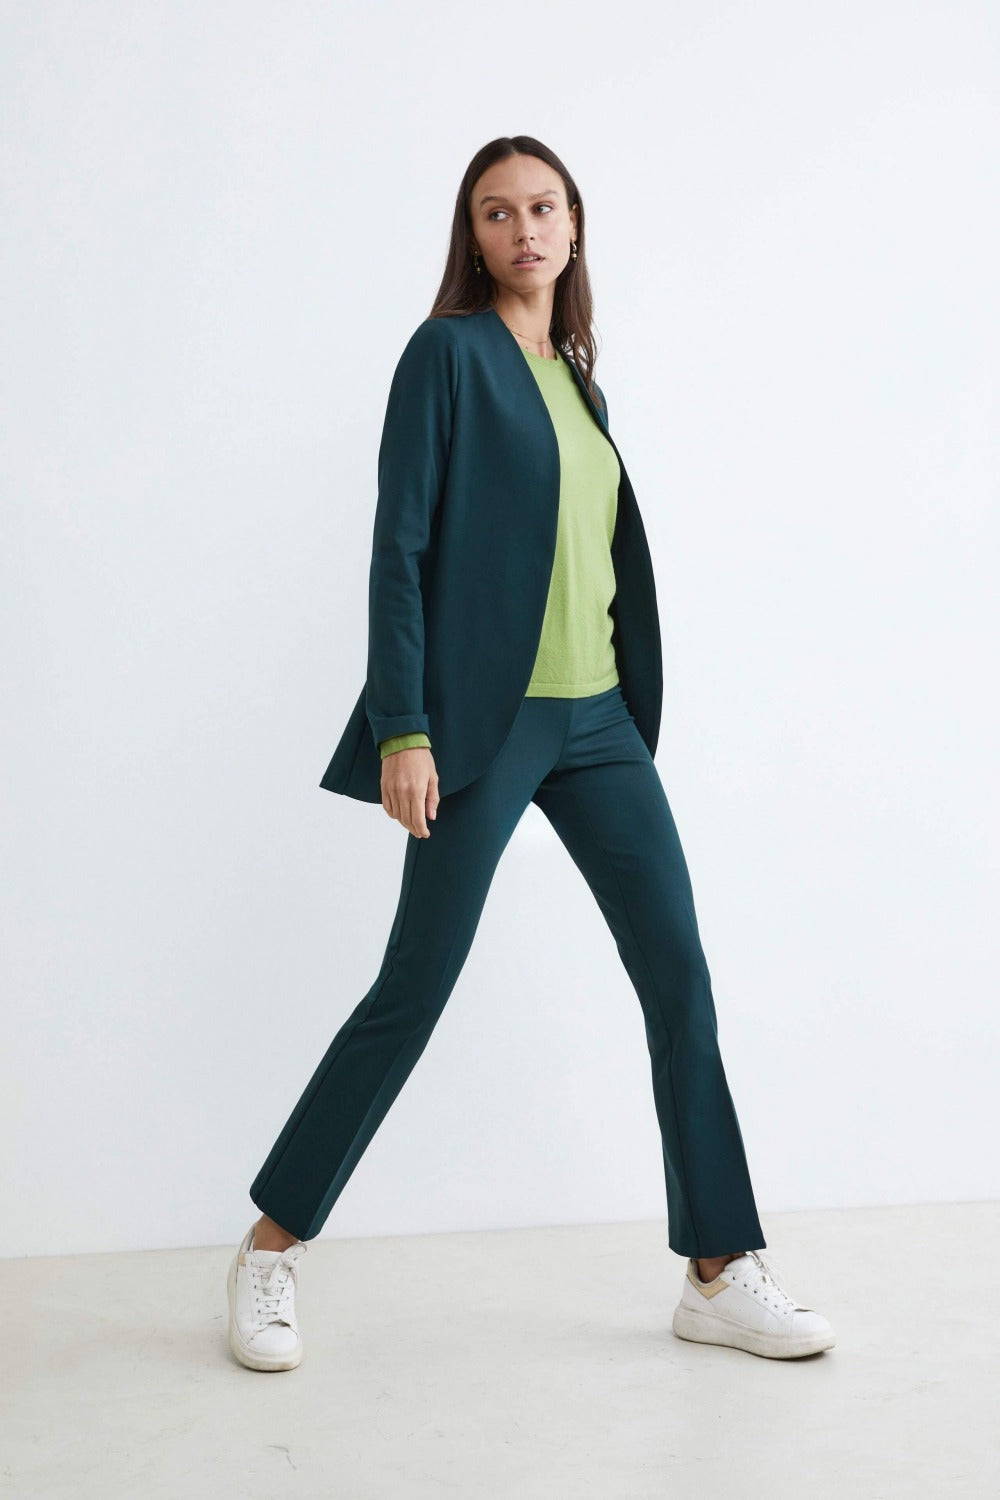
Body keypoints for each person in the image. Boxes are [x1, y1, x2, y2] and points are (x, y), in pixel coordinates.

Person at [226, 135, 835, 1372]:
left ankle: (718, 1270)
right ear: (473, 235)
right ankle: (268, 1251)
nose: (524, 229)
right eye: (496, 212)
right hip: (483, 728)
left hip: (597, 723)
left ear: (573, 224)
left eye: (543, 207)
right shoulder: (446, 354)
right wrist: (405, 728)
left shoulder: (578, 377)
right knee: (415, 987)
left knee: (678, 978)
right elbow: (399, 551)